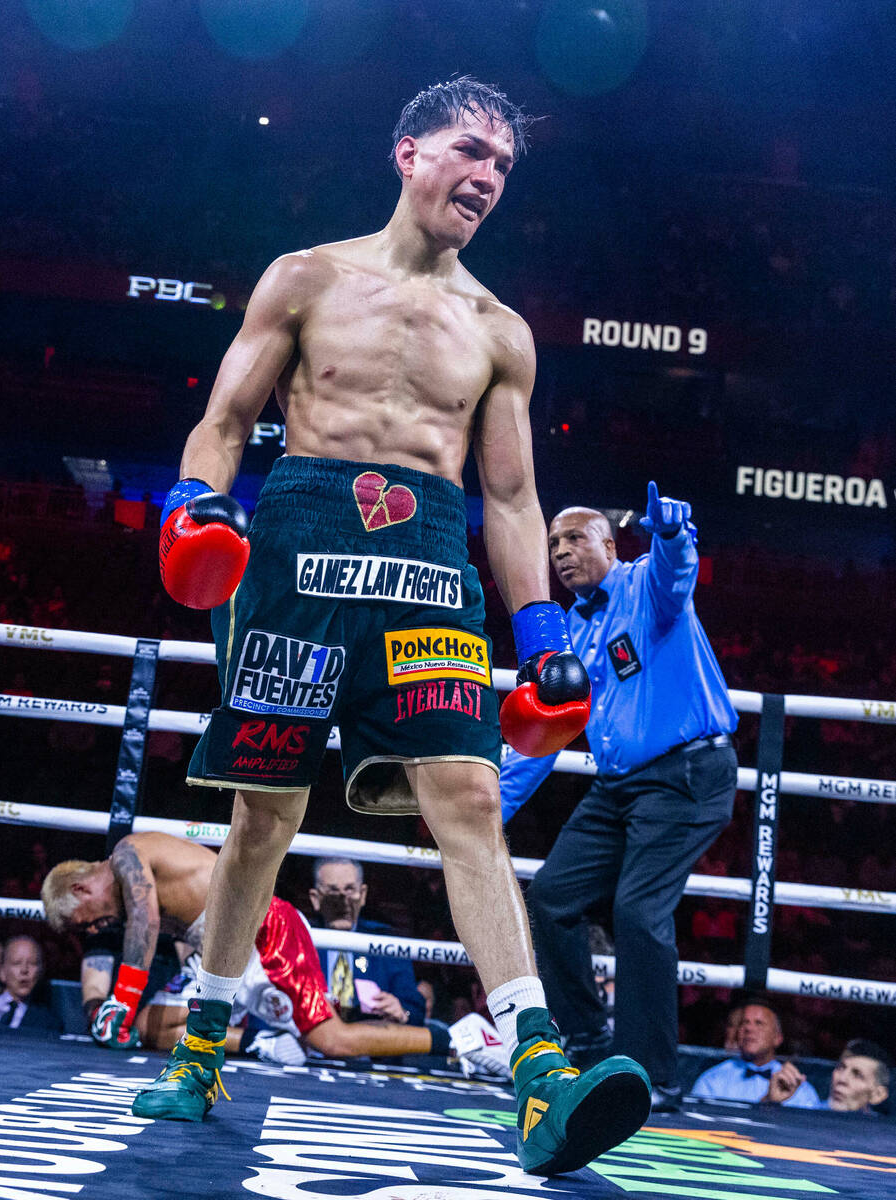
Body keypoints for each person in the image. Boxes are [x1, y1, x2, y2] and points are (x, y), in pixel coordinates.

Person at [133, 76, 651, 1175]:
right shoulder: (307, 276)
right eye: (471, 151)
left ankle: (538, 1067)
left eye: (505, 166)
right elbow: (222, 423)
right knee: (264, 815)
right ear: (408, 152)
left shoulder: (499, 329)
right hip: (297, 550)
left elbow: (509, 501)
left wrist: (542, 628)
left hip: (428, 559)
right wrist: (195, 502)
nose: (489, 177)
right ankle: (207, 1043)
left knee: (468, 796)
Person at [500, 485, 739, 1112]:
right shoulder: (570, 630)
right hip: (619, 788)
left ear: (610, 544)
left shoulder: (645, 589)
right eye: (553, 544)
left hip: (686, 777)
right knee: (551, 899)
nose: (561, 552)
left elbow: (675, 572)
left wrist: (671, 536)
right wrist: (488, 811)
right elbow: (545, 736)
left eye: (574, 538)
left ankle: (653, 1075)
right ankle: (585, 1042)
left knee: (637, 912)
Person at [41, 831, 500, 1071]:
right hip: (223, 947)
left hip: (266, 932)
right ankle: (262, 1041)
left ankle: (462, 1037)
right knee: (149, 1026)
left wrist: (122, 994)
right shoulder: (137, 878)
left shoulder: (126, 855)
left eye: (90, 920)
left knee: (330, 1040)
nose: (101, 927)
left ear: (81, 888)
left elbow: (146, 920)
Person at [308, 856, 425, 1026]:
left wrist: (401, 1011)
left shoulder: (387, 943)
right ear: (315, 898)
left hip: (373, 1046)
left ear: (362, 895)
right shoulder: (298, 942)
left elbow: (415, 1010)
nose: (343, 901)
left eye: (349, 890)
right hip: (310, 1045)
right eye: (333, 891)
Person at [690, 1001, 820, 1107]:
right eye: (744, 1023)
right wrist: (767, 1101)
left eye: (759, 1023)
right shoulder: (712, 1080)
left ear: (777, 1038)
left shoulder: (797, 1087)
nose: (749, 1028)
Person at [764, 1038, 891, 1113]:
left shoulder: (884, 1135)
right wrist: (771, 1102)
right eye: (840, 1068)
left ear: (877, 1095)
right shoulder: (806, 1113)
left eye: (857, 1075)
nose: (842, 1079)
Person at [0, 935, 62, 1032]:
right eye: (16, 963)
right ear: (2, 971)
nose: (24, 970)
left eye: (33, 963)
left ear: (41, 971)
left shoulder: (49, 1023)